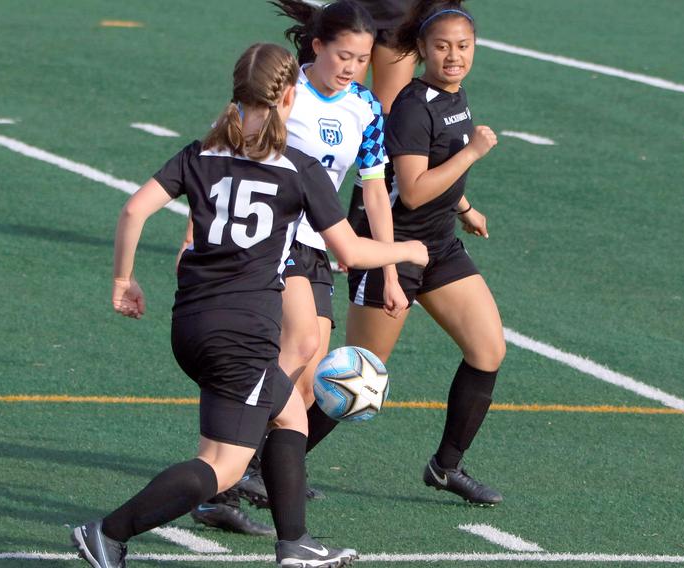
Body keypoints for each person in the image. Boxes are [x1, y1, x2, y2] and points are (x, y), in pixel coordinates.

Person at [69, 42, 428, 568]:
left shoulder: (198, 154)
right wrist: (408, 249)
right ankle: (108, 532)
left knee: (288, 418)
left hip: (191, 324)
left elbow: (133, 211)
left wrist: (124, 279)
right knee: (223, 466)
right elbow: (349, 250)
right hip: (242, 333)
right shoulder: (298, 169)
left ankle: (295, 544)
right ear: (288, 95)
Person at [308, 0, 509, 506]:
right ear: (420, 51)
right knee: (356, 376)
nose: (454, 56)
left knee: (488, 351)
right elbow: (413, 189)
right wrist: (474, 153)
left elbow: (430, 177)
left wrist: (464, 205)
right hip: (391, 250)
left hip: (438, 245)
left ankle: (446, 466)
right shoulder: (414, 106)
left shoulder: (454, 97)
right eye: (442, 47)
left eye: (463, 46)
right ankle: (262, 466)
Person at [346, 0, 418, 232]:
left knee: (384, 124)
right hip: (355, 11)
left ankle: (358, 231)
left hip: (399, 14)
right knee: (339, 108)